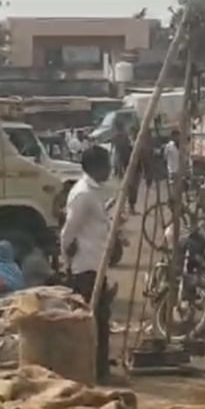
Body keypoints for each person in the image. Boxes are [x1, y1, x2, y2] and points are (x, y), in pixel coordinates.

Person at [60, 146, 116, 382]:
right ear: (96, 167)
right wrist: (67, 257)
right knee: (95, 322)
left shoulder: (94, 191)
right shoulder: (83, 194)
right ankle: (97, 372)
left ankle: (98, 368)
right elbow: (68, 232)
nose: (111, 170)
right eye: (107, 165)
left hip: (96, 262)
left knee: (100, 320)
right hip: (86, 266)